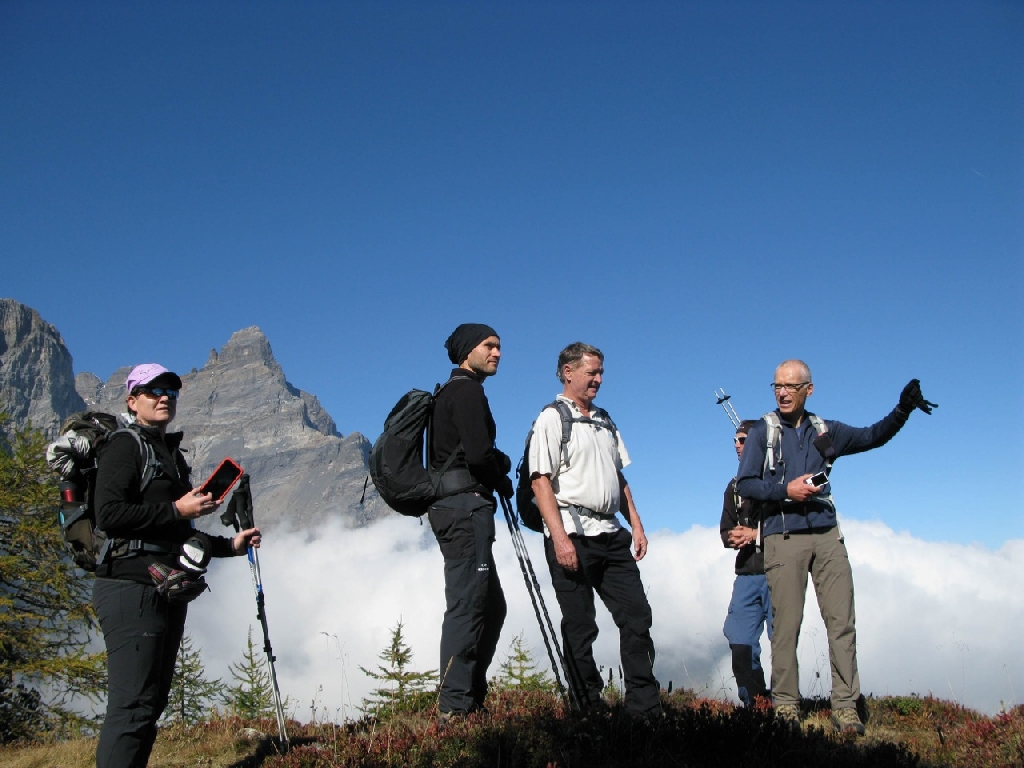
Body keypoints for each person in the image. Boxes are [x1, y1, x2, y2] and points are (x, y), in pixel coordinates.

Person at [736, 360, 936, 734]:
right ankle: (786, 709)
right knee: (786, 628)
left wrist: (903, 409)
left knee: (841, 623)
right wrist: (786, 490)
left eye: (790, 387)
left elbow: (873, 436)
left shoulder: (825, 431)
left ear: (808, 390)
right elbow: (745, 484)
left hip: (828, 535)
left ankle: (845, 707)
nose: (782, 393)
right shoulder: (763, 431)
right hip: (783, 536)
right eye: (777, 386)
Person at [92, 363, 261, 767]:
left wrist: (230, 547)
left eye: (171, 390)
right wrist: (177, 507)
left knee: (149, 704)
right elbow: (108, 515)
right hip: (130, 584)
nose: (165, 396)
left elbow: (178, 534)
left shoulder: (169, 455)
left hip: (166, 584)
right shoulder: (124, 445)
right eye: (153, 390)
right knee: (132, 705)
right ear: (133, 401)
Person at [528, 342, 662, 717]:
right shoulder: (552, 419)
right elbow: (540, 483)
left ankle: (645, 707)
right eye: (592, 372)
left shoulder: (604, 420)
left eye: (601, 373)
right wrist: (560, 540)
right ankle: (588, 706)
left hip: (611, 533)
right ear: (568, 372)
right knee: (580, 624)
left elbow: (618, 477)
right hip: (571, 534)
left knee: (636, 616)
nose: (599, 380)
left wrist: (636, 524)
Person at [427, 324, 513, 720]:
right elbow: (478, 455)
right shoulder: (467, 390)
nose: (496, 352)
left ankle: (469, 697)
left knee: (490, 605)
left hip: (455, 507)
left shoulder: (450, 391)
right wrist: (502, 471)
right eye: (488, 345)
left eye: (498, 346)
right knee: (468, 605)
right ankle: (455, 708)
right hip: (465, 508)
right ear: (467, 351)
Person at [720, 419, 772, 707]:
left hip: (779, 571)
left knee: (782, 643)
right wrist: (735, 537)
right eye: (735, 441)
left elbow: (797, 527)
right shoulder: (734, 487)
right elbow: (725, 531)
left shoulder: (780, 480)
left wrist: (756, 534)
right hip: (747, 573)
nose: (737, 446)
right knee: (739, 641)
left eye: (742, 440)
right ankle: (754, 702)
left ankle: (784, 704)